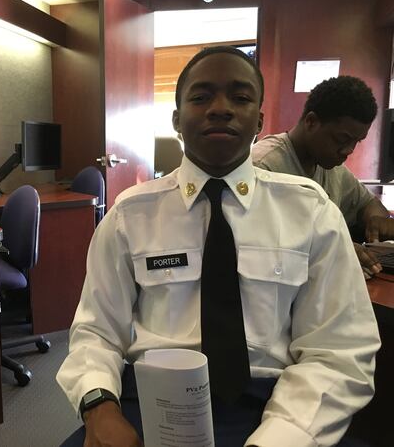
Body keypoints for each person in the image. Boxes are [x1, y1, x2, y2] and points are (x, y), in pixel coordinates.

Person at [56, 46, 380, 447]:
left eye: (241, 97)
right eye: (201, 96)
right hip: (149, 404)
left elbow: (339, 349)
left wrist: (280, 437)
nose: (221, 108)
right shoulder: (130, 216)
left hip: (279, 405)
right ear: (176, 119)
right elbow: (96, 331)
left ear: (259, 119)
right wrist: (99, 406)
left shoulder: (312, 213)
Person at [252, 76, 394, 278]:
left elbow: (368, 203)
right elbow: (258, 244)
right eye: (341, 139)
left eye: (357, 142)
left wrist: (377, 220)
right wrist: (330, 247)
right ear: (311, 122)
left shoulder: (330, 166)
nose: (348, 150)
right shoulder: (263, 166)